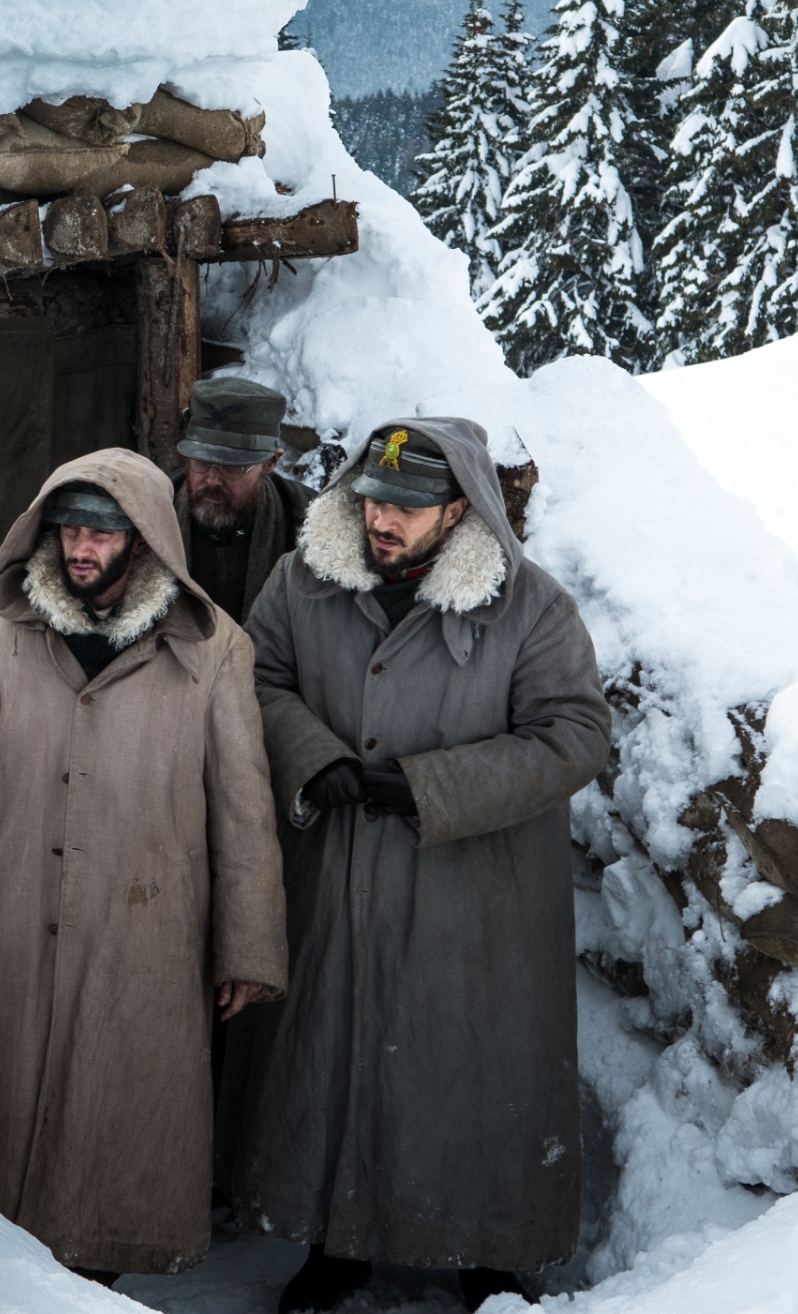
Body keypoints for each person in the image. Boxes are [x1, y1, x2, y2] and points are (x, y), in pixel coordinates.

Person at [223, 419, 612, 1313]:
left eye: (406, 507)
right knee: (334, 1054)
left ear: (459, 510)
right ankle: (335, 1242)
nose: (380, 520)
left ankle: (486, 1252)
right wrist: (311, 754)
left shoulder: (530, 606)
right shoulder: (301, 580)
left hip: (472, 898)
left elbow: (575, 735)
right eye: (372, 500)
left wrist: (431, 786)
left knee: (469, 1067)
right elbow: (255, 678)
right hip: (336, 875)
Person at [0, 447, 287, 1281]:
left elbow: (244, 811)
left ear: (145, 539)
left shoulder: (216, 649)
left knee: (116, 1119)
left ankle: (92, 1275)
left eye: (102, 532)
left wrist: (249, 947)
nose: (81, 546)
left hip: (144, 927)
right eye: (69, 528)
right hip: (10, 916)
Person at [172, 373, 314, 625]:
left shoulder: (308, 528)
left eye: (232, 466)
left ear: (271, 462)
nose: (212, 480)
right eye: (201, 462)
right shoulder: (153, 513)